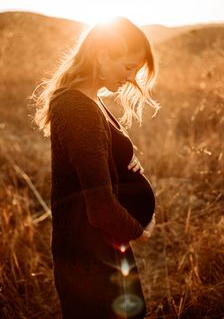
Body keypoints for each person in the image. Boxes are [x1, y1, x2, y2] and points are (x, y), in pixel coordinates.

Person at [32, 16, 159, 319]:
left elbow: (95, 165)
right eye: (128, 67)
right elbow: (100, 206)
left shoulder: (89, 102)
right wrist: (139, 232)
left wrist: (122, 160)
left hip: (103, 249)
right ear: (103, 55)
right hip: (91, 258)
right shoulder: (77, 109)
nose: (130, 78)